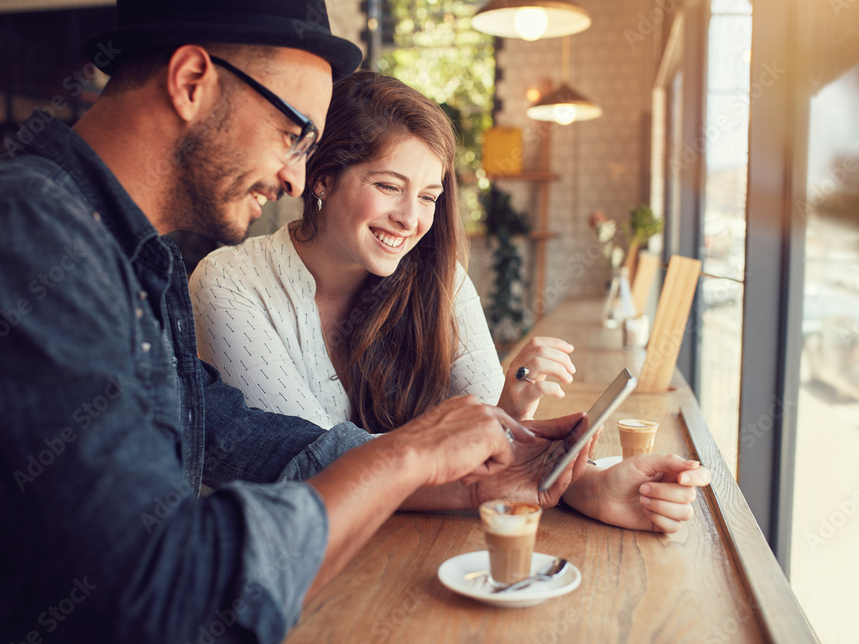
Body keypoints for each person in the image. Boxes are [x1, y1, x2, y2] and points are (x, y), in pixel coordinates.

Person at [0, 0, 709, 642]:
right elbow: (164, 591)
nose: (291, 177)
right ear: (191, 81)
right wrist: (408, 451)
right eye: (292, 134)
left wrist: (538, 476)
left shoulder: (139, 260)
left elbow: (263, 444)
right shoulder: (19, 239)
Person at [190, 71, 576, 433]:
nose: (411, 220)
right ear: (322, 179)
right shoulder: (228, 282)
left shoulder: (440, 277)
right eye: (389, 187)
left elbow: (496, 433)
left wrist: (512, 414)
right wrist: (481, 438)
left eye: (428, 197)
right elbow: (311, 459)